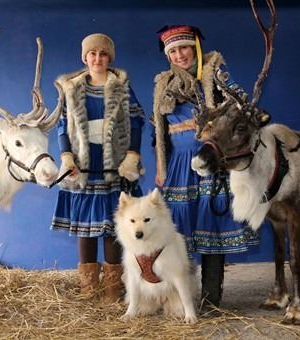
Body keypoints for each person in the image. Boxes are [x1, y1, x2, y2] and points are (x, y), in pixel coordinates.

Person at [152, 25, 258, 310]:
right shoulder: (164, 84)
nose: (179, 55)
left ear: (195, 47)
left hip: (213, 164)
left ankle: (211, 299)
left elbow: (243, 110)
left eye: (184, 48)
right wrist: (160, 165)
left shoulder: (218, 74)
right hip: (178, 168)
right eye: (173, 51)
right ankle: (180, 299)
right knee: (178, 235)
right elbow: (159, 132)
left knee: (212, 230)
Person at [51, 33, 144, 303]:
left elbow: (137, 122)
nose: (97, 58)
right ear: (85, 57)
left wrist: (132, 155)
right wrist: (66, 156)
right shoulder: (72, 87)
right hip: (83, 164)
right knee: (86, 228)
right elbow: (62, 126)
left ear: (110, 58)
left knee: (113, 225)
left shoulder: (121, 87)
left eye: (103, 54)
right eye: (92, 54)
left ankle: (114, 290)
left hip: (114, 164)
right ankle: (89, 289)